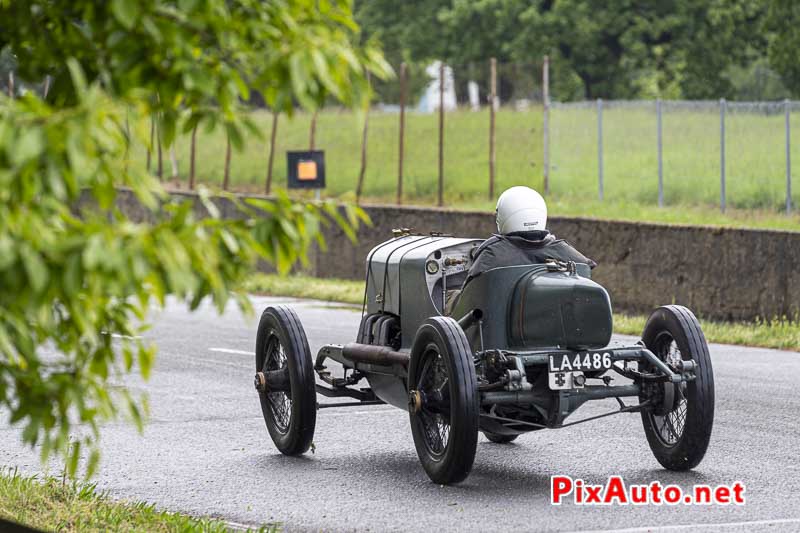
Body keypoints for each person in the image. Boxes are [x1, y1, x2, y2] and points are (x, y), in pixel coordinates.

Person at [465, 186, 596, 284]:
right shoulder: (563, 250)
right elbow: (586, 271)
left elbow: (471, 294)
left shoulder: (492, 252)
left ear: (502, 215)